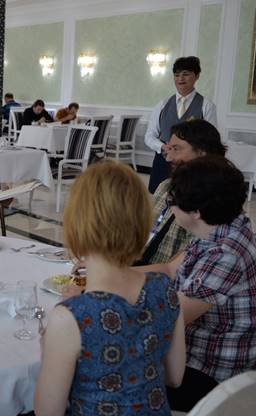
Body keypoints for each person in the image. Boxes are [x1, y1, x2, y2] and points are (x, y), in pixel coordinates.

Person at [34, 160, 185, 416]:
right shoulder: (165, 289)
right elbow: (175, 377)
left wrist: (47, 346)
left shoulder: (71, 316)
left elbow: (47, 411)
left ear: (76, 224)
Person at [137, 156, 256, 412]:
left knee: (106, 377)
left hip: (209, 371)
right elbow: (169, 269)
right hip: (191, 352)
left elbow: (171, 315)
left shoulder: (225, 253)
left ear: (196, 212)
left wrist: (103, 296)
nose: (169, 208)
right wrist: (112, 273)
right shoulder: (223, 225)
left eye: (172, 203)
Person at [137, 119, 226, 265]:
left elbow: (176, 270)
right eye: (169, 149)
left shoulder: (214, 200)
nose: (169, 158)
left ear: (202, 154)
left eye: (176, 149)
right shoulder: (166, 186)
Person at [145, 56, 217, 193]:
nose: (180, 79)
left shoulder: (207, 106)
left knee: (186, 199)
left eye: (186, 74)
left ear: (196, 76)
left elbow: (211, 140)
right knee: (158, 200)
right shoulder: (162, 105)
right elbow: (149, 136)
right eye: (177, 75)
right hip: (164, 160)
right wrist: (162, 147)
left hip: (191, 165)